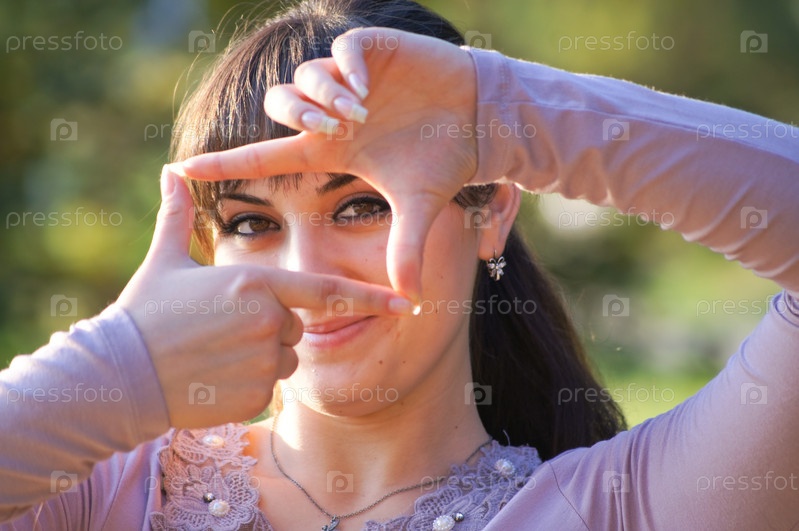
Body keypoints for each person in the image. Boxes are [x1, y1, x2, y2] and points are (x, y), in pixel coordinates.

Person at [2, 0, 798, 529]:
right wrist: (121, 365)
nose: (305, 272)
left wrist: (503, 112)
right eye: (251, 222)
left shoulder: (625, 506)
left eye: (360, 205)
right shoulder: (101, 492)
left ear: (490, 211)